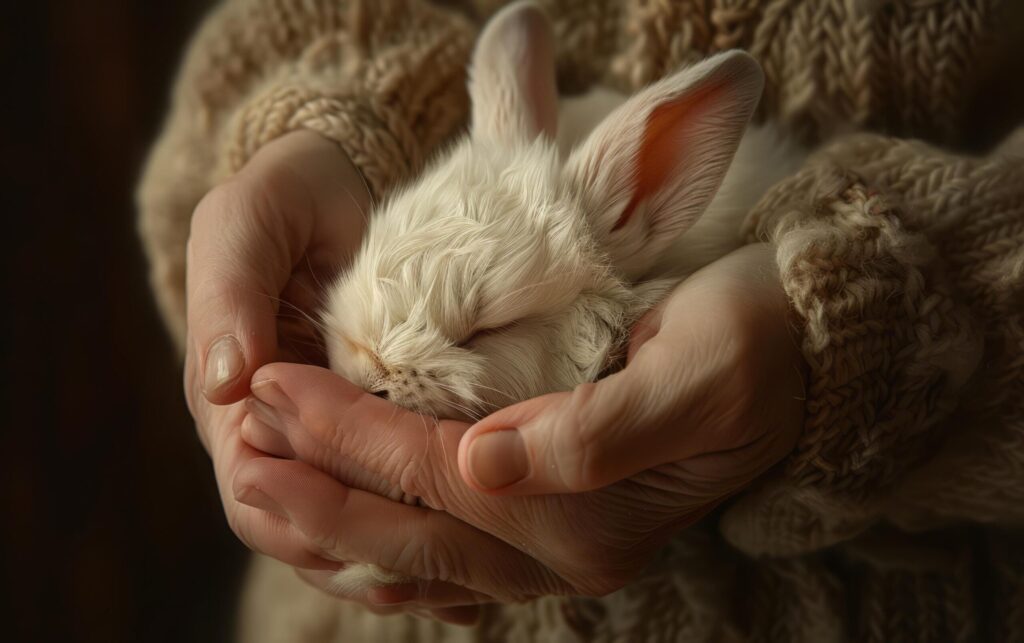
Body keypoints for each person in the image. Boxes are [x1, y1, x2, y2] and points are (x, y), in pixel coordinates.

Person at [138, 0, 1024, 640]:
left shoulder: (602, 245)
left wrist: (835, 344)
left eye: (479, 329)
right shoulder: (504, 188)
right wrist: (318, 130)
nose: (365, 374)